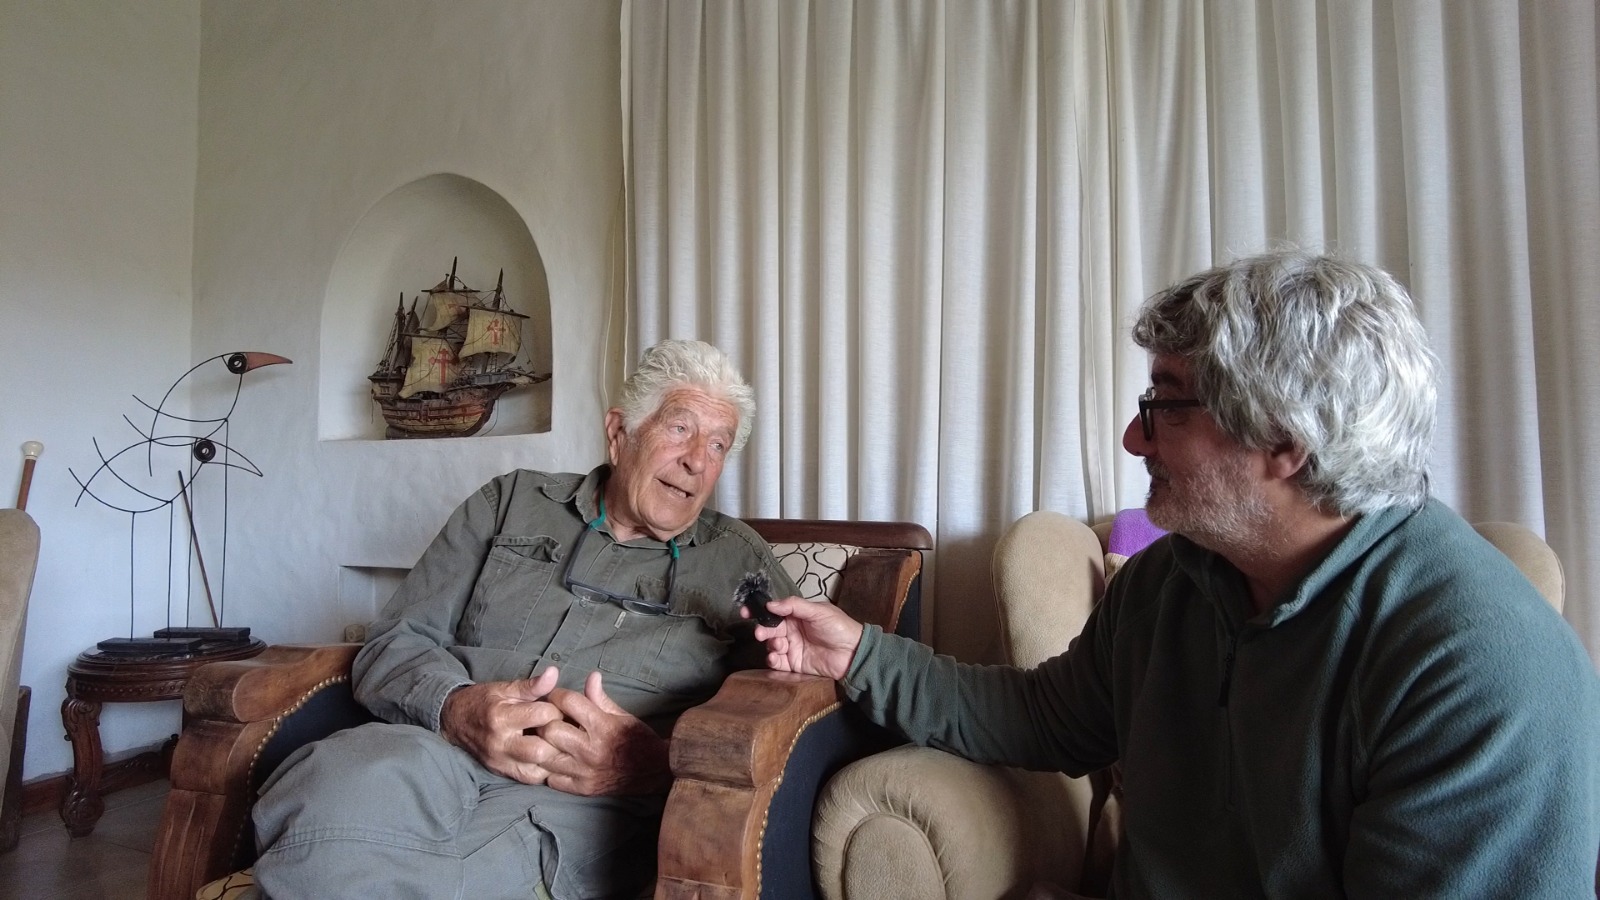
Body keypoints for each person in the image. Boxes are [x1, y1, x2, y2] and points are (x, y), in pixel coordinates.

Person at [754, 250, 1600, 897]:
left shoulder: (1479, 668)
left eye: (1164, 403)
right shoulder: (1176, 580)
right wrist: (859, 654)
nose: (1135, 438)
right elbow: (1045, 717)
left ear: (1282, 438)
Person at [251, 339, 798, 900]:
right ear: (620, 433)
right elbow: (394, 643)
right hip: (434, 752)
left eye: (718, 444)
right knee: (328, 801)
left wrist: (657, 763)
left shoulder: (739, 562)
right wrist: (458, 708)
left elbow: (798, 706)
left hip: (587, 798)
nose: (697, 460)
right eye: (680, 428)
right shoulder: (511, 502)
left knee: (454, 883)